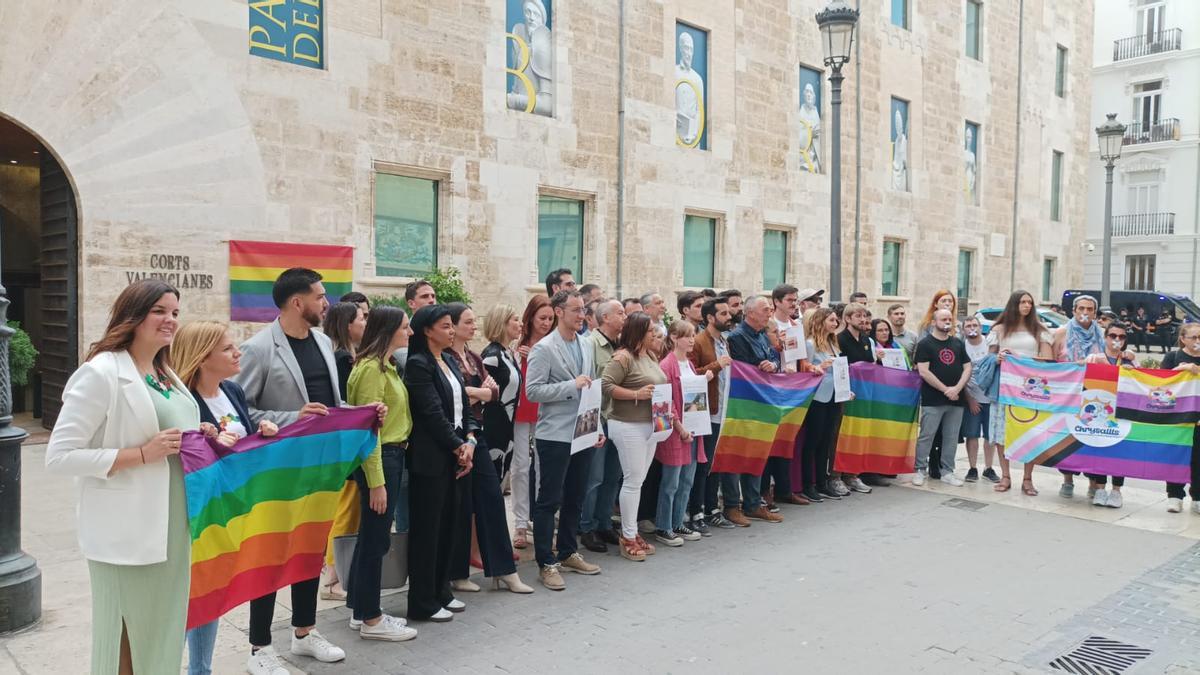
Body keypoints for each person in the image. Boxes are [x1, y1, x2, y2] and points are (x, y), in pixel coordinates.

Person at [46, 280, 199, 674]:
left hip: (173, 525)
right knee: (125, 636)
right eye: (160, 311)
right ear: (133, 316)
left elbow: (178, 434)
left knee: (162, 631)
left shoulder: (165, 373)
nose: (170, 320)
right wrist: (141, 454)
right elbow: (60, 456)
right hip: (126, 532)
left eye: (175, 313)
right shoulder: (101, 372)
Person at [234, 268, 371, 671]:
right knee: (270, 555)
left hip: (320, 470)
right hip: (278, 474)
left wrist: (362, 414)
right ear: (297, 302)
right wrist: (293, 417)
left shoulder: (325, 342)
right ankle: (259, 647)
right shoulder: (258, 348)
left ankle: (304, 633)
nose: (326, 302)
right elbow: (242, 413)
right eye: (319, 296)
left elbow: (331, 405)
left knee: (310, 551)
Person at [170, 320, 280, 674]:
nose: (238, 353)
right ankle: (196, 669)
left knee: (213, 591)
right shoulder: (183, 401)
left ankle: (199, 668)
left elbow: (240, 443)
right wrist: (207, 439)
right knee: (198, 591)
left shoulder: (232, 390)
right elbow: (185, 453)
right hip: (198, 510)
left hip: (234, 505)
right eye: (228, 348)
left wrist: (262, 433)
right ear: (203, 358)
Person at [442, 304, 534, 595]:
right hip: (460, 435)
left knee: (492, 499)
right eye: (467, 322)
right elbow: (456, 396)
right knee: (461, 505)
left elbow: (490, 393)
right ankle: (457, 573)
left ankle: (504, 570)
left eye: (473, 320)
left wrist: (479, 393)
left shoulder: (472, 357)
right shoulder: (447, 359)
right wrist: (481, 393)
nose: (473, 326)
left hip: (477, 432)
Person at [343, 306, 420, 641]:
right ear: (389, 331)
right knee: (375, 539)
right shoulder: (372, 370)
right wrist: (377, 482)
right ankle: (372, 619)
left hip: (391, 455)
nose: (410, 332)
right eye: (405, 326)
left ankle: (362, 611)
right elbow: (368, 430)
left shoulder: (384, 366)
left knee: (371, 538)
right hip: (382, 458)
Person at [526, 290, 605, 587]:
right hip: (555, 434)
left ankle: (569, 551)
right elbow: (532, 391)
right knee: (549, 499)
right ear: (558, 312)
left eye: (583, 309)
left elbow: (593, 389)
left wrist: (596, 427)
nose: (581, 315)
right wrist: (570, 386)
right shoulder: (544, 348)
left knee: (576, 495)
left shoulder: (586, 344)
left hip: (583, 431)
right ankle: (546, 561)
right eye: (575, 309)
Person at [403, 304, 477, 622]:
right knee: (428, 529)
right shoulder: (418, 365)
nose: (451, 331)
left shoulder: (448, 360)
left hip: (456, 451)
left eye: (451, 325)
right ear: (427, 331)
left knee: (450, 523)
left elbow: (464, 408)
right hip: (431, 456)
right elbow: (431, 413)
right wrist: (457, 445)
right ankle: (422, 599)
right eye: (445, 326)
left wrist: (471, 439)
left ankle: (442, 590)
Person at [602, 311, 669, 559]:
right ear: (638, 331)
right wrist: (637, 394)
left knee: (638, 480)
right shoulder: (623, 357)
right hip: (627, 424)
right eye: (650, 330)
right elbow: (606, 385)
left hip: (651, 424)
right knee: (632, 480)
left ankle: (631, 530)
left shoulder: (649, 355)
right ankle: (627, 535)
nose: (655, 334)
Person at [320, 300, 367, 601]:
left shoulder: (346, 355)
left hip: (346, 441)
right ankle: (333, 579)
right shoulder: (341, 358)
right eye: (362, 318)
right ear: (348, 324)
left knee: (348, 508)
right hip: (344, 443)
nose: (366, 322)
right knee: (345, 510)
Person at [988, 290, 1054, 495]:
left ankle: (1027, 478)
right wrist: (997, 358)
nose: (1026, 305)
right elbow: (987, 358)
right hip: (1005, 387)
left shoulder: (1039, 330)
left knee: (1029, 431)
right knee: (1002, 432)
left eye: (1030, 302)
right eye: (1022, 302)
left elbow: (1048, 360)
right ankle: (1005, 475)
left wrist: (1020, 359)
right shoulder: (999, 329)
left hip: (1030, 389)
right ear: (1014, 304)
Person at [726, 295, 784, 523]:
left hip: (761, 402)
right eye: (765, 308)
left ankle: (753, 502)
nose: (769, 311)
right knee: (736, 454)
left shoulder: (762, 335)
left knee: (756, 453)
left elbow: (772, 359)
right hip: (743, 404)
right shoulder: (737, 337)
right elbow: (742, 370)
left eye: (770, 308)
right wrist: (762, 368)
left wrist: (774, 365)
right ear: (749, 313)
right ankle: (732, 505)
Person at [655, 321, 712, 546]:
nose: (691, 340)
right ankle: (664, 526)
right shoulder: (666, 365)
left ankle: (678, 522)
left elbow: (694, 396)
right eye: (687, 336)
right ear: (674, 338)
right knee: (671, 482)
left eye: (693, 335)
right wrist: (680, 428)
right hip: (676, 432)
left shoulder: (687, 363)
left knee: (687, 480)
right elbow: (667, 402)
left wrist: (703, 381)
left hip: (693, 430)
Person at [580, 299, 628, 553]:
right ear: (605, 317)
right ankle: (585, 526)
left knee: (613, 475)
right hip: (598, 418)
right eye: (620, 313)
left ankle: (603, 522)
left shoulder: (623, 346)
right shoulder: (590, 344)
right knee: (594, 477)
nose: (624, 317)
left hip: (619, 417)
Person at [690, 298, 740, 528]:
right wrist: (717, 365)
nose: (728, 317)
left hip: (723, 409)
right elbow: (692, 375)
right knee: (703, 464)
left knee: (714, 463)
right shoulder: (699, 342)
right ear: (710, 318)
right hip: (705, 412)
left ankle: (711, 508)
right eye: (723, 314)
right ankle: (697, 511)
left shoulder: (724, 341)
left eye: (728, 313)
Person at [511, 294, 553, 549]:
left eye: (550, 318)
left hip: (545, 407)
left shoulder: (554, 343)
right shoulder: (520, 343)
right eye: (542, 318)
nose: (546, 323)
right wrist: (518, 354)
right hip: (521, 407)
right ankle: (519, 522)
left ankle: (540, 519)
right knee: (520, 465)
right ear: (531, 317)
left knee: (542, 464)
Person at [913, 309, 971, 487]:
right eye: (943, 319)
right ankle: (920, 469)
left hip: (956, 399)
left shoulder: (957, 343)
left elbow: (967, 367)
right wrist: (946, 389)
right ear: (933, 322)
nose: (947, 321)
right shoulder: (925, 344)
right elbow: (923, 371)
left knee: (951, 437)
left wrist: (957, 389)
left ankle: (948, 471)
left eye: (949, 319)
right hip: (933, 399)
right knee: (927, 435)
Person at [1081, 322, 1135, 508]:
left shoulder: (1129, 360)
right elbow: (1079, 373)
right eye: (1113, 336)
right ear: (1105, 337)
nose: (1117, 340)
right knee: (1101, 449)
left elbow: (1140, 382)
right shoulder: (1095, 358)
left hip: (1121, 412)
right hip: (1099, 412)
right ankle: (1100, 488)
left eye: (1121, 337)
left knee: (1120, 452)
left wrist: (1132, 371)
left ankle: (1116, 491)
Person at [767, 285, 813, 505]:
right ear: (776, 301)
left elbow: (800, 357)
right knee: (770, 440)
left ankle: (786, 488)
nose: (794, 304)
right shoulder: (770, 325)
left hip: (793, 386)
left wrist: (810, 368)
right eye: (789, 300)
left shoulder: (796, 325)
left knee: (787, 439)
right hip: (774, 385)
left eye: (795, 300)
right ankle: (766, 490)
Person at [802, 307, 847, 502]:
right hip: (818, 398)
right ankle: (808, 484)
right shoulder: (810, 344)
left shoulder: (833, 344)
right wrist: (819, 368)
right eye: (831, 320)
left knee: (827, 442)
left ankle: (822, 481)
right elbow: (804, 370)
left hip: (834, 397)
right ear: (821, 321)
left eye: (836, 320)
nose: (835, 324)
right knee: (813, 441)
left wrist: (846, 389)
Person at [835, 303, 879, 493]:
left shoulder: (868, 340)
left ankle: (853, 474)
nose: (863, 320)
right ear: (847, 319)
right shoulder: (839, 339)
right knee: (842, 435)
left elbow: (872, 366)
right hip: (847, 395)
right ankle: (836, 476)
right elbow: (839, 368)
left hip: (865, 394)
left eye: (864, 316)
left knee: (859, 434)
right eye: (858, 316)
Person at [1161, 322, 1200, 514]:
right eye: (1193, 337)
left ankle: (1198, 496)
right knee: (1176, 455)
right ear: (1183, 339)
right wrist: (1180, 370)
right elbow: (1160, 382)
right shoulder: (1172, 357)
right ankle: (1175, 495)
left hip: (1198, 418)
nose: (1197, 341)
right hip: (1177, 416)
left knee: (1198, 458)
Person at [480, 304, 523, 478]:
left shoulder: (508, 354)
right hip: (493, 426)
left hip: (507, 427)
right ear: (502, 324)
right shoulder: (492, 355)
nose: (520, 324)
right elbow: (482, 390)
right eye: (515, 319)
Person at [960, 316, 998, 483]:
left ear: (980, 326)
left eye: (974, 325)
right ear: (963, 329)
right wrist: (970, 400)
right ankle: (973, 468)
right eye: (968, 326)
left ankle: (988, 468)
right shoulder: (961, 347)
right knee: (972, 435)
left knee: (990, 436)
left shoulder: (989, 345)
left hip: (990, 397)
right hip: (972, 397)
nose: (971, 328)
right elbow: (960, 376)